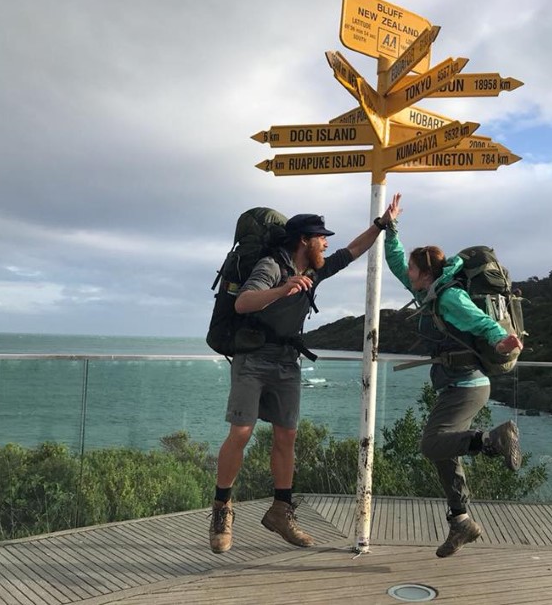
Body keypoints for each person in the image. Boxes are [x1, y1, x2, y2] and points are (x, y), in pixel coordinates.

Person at [209, 205, 396, 554]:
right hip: (253, 359)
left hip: (286, 361)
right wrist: (283, 289)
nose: (325, 245)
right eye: (321, 239)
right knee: (241, 432)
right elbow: (243, 303)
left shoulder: (314, 269)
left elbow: (351, 252)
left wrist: (380, 225)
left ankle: (281, 510)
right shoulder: (271, 266)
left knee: (287, 436)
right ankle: (222, 509)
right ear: (303, 240)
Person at [379, 192, 524, 558]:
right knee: (446, 450)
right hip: (456, 384)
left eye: (413, 270)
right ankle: (461, 521)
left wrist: (501, 338)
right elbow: (397, 262)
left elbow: (480, 322)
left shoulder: (448, 297)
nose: (407, 275)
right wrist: (391, 227)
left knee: (431, 444)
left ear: (425, 273)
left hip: (467, 385)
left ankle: (493, 440)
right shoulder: (429, 291)